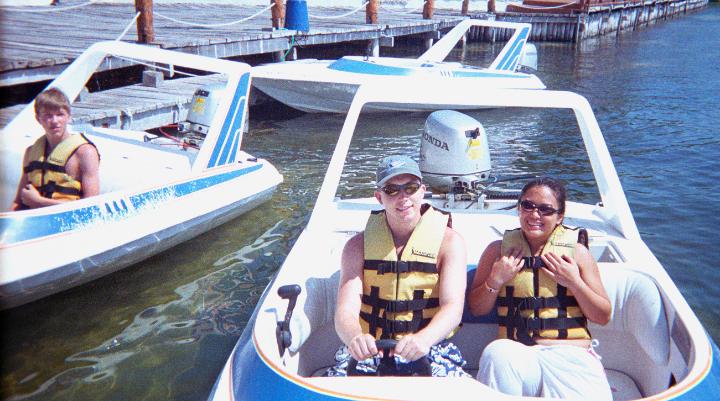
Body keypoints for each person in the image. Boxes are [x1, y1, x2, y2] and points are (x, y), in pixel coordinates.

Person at [468, 177, 613, 400]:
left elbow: (602, 316)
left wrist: (575, 282)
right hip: (516, 354)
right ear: (519, 208)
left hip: (570, 354)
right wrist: (495, 280)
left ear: (560, 216)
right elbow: (476, 309)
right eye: (527, 206)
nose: (534, 215)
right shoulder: (496, 252)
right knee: (497, 353)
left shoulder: (578, 254)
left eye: (545, 210)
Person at [327, 155, 469, 377]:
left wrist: (424, 339)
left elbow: (452, 308)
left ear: (422, 191)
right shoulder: (356, 247)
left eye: (410, 188)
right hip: (369, 348)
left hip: (430, 347)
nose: (403, 197)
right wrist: (356, 338)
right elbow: (345, 310)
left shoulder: (451, 243)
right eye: (392, 190)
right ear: (379, 197)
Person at [11, 88, 100, 210]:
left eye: (60, 114)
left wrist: (39, 202)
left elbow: (91, 206)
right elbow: (18, 202)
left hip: (68, 223)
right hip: (33, 221)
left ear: (69, 116)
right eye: (48, 116)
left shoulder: (85, 153)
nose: (54, 121)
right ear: (38, 119)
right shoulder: (30, 152)